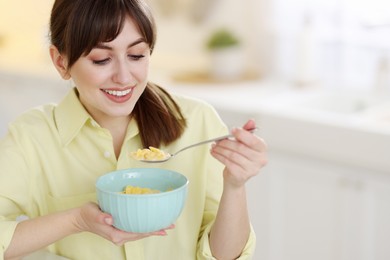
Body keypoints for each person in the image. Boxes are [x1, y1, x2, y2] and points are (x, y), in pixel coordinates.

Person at [0, 0, 268, 259]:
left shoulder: (197, 122)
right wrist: (76, 221)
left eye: (136, 55)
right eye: (102, 60)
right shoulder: (33, 137)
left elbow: (225, 256)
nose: (125, 77)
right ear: (61, 62)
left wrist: (235, 185)